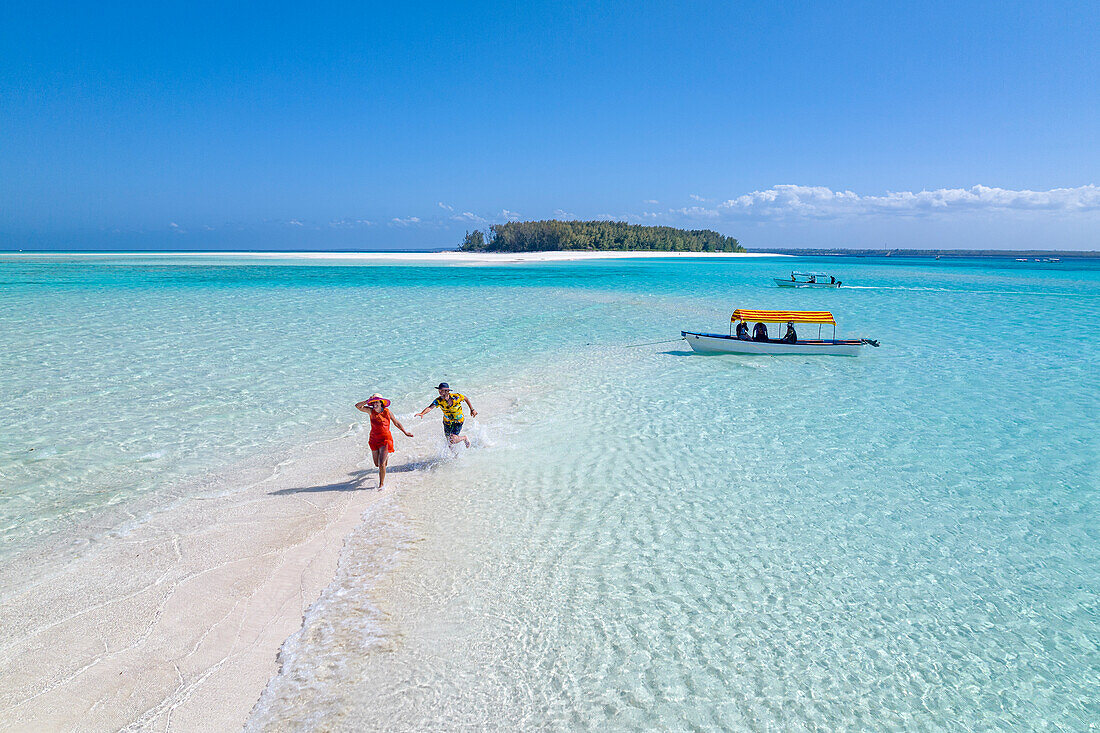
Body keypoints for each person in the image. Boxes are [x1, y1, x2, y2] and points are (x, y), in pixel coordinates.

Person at [354, 393, 413, 489]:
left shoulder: (387, 412)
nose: (375, 404)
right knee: (377, 464)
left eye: (377, 402)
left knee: (381, 464)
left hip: (385, 439)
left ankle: (381, 485)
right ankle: (385, 457)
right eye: (373, 402)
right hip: (373, 439)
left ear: (381, 402)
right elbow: (357, 406)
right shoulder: (370, 411)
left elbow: (396, 423)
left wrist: (405, 432)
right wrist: (367, 401)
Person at [416, 382, 477, 448]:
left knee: (452, 439)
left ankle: (464, 438)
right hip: (447, 421)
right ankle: (454, 456)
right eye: (439, 390)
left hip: (458, 420)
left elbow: (466, 398)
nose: (440, 392)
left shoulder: (456, 397)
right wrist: (422, 413)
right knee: (448, 441)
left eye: (441, 390)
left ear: (447, 391)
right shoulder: (438, 400)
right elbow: (430, 407)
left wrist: (472, 409)